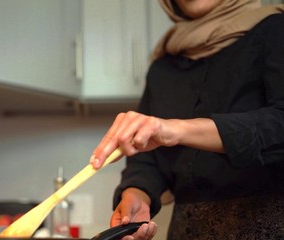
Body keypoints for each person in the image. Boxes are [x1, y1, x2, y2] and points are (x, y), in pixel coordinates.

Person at [89, 0, 284, 239]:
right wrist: (137, 193)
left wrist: (177, 129)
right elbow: (148, 160)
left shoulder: (276, 30)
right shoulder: (163, 66)